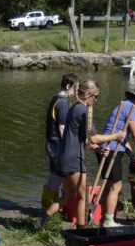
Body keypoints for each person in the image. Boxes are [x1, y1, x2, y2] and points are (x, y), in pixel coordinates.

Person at [43, 80, 126, 227]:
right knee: (84, 197)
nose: (96, 100)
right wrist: (116, 136)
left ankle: (41, 222)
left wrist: (97, 148)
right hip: (74, 159)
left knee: (68, 197)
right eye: (96, 96)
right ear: (88, 95)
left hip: (62, 158)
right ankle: (82, 229)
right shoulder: (83, 110)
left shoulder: (73, 107)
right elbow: (93, 137)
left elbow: (82, 137)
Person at [97, 85, 135, 227]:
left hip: (107, 148)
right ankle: (109, 220)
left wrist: (131, 154)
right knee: (116, 186)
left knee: (109, 185)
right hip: (111, 149)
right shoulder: (131, 107)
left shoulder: (126, 106)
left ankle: (104, 217)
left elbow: (124, 137)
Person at [43, 73, 80, 215]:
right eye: (75, 89)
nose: (76, 93)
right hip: (58, 145)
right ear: (68, 86)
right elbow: (63, 127)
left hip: (51, 144)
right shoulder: (63, 102)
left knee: (54, 177)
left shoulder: (55, 99)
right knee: (57, 178)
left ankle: (49, 207)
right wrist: (70, 146)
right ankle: (48, 208)